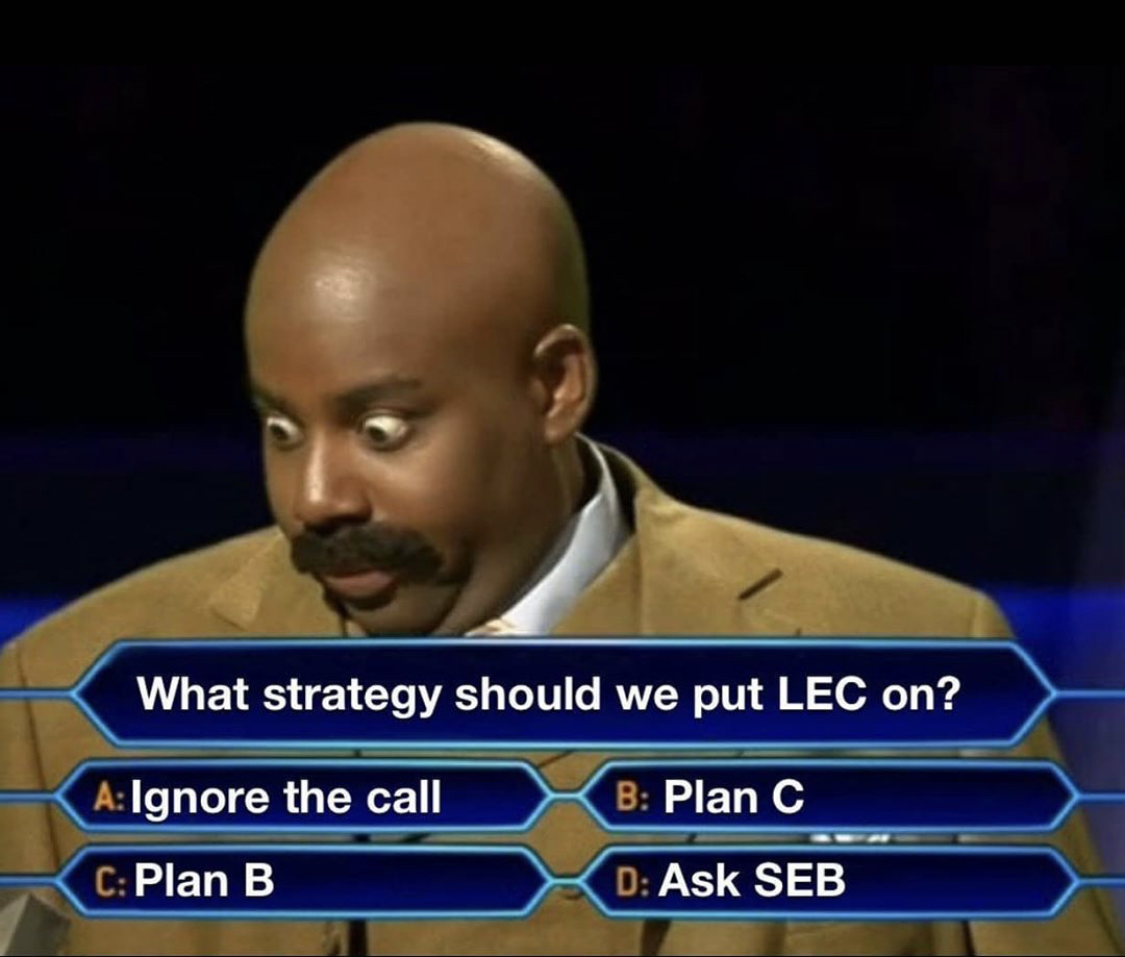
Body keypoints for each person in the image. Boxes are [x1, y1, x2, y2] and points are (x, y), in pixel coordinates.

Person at [0, 123, 1119, 956]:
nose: (316, 496)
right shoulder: (68, 706)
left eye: (382, 429)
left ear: (553, 388)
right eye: (281, 429)